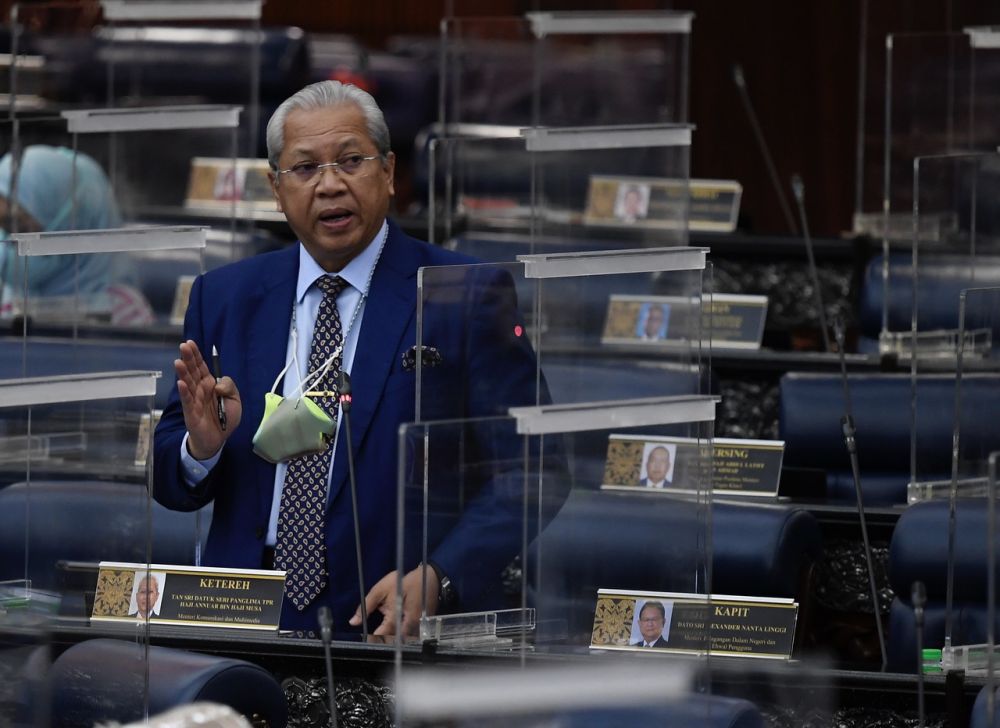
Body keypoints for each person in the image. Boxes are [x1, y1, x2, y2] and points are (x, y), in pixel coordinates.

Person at [153, 80, 550, 636]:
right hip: (239, 615)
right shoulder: (224, 297)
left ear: (388, 172)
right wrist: (203, 447)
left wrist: (439, 576)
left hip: (387, 614)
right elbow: (170, 480)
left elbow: (534, 471)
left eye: (350, 161)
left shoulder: (463, 294)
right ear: (275, 187)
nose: (330, 184)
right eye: (306, 168)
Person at [0, 145, 152, 325]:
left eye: (24, 230)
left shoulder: (124, 311)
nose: (10, 245)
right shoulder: (9, 296)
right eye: (5, 227)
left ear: (72, 226)